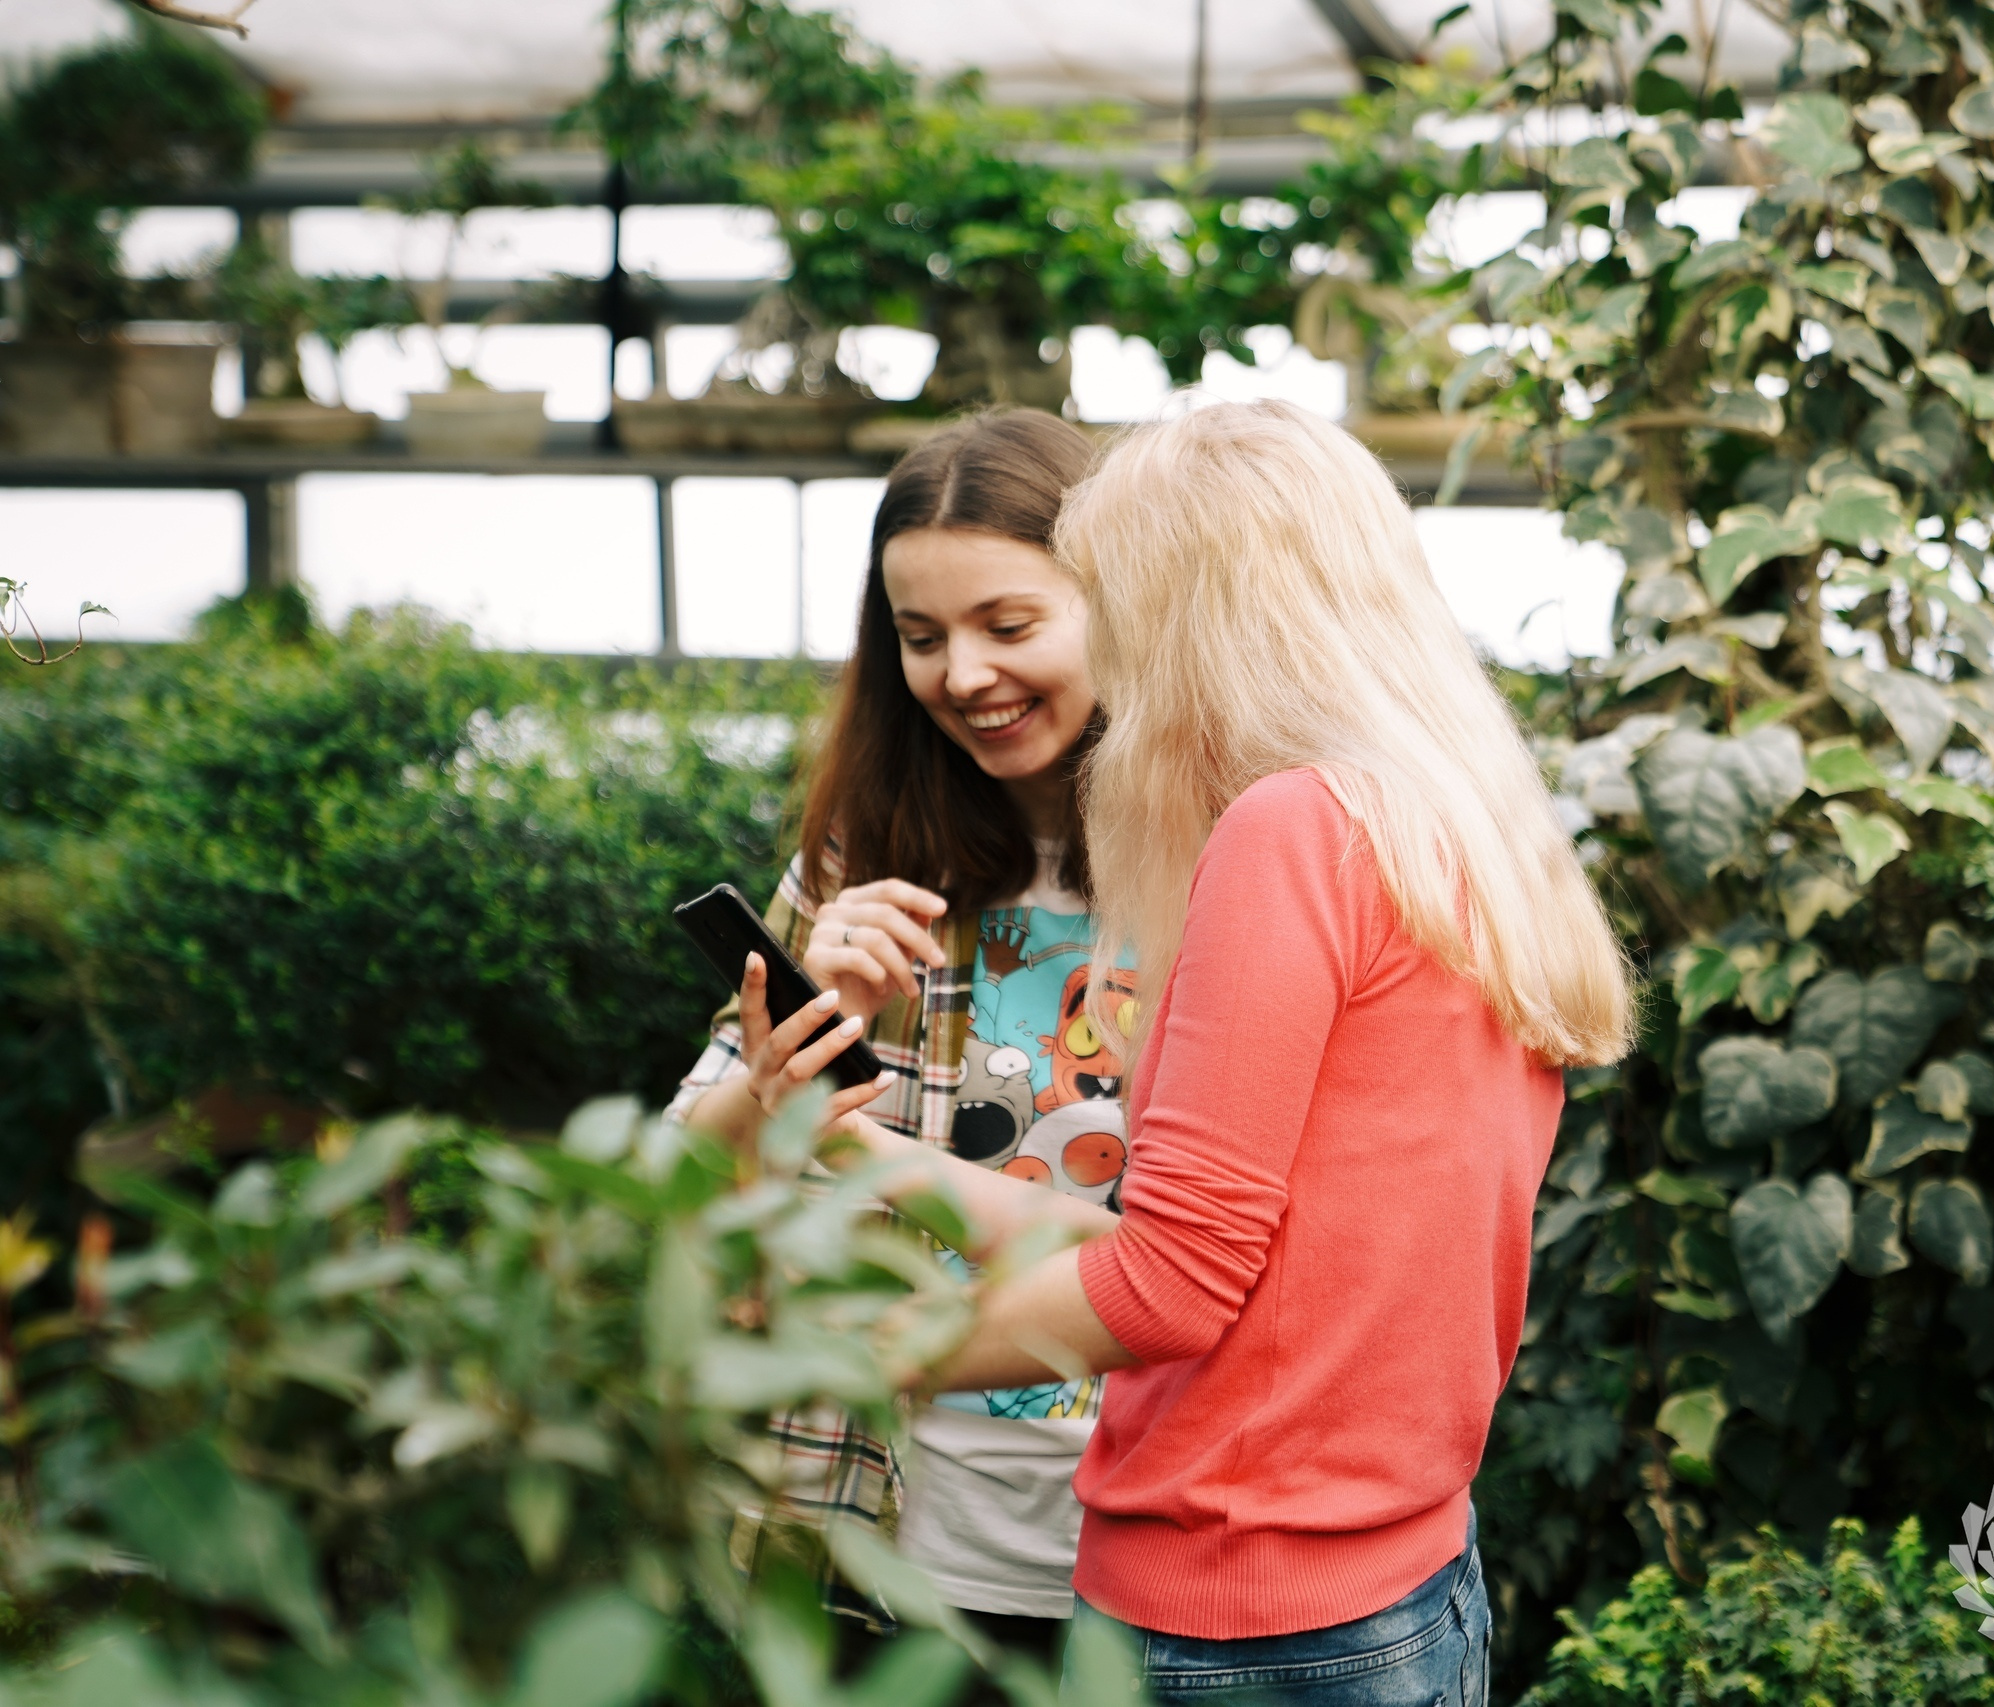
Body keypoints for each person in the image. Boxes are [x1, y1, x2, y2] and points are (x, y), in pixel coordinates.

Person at [808, 399, 1634, 1704]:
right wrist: (880, 1159)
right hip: (1404, 1574)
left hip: (1236, 1611)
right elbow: (1236, 1254)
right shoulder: (1454, 830)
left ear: (1191, 613)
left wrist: (861, 1353)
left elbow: (1170, 1284)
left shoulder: (1291, 830)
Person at [666, 407, 1127, 1667]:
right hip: (892, 1550)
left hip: (1160, 1553)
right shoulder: (860, 871)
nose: (963, 675)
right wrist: (794, 1053)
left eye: (1008, 626)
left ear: (1122, 602)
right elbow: (678, 1188)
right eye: (921, 638)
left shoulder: (1234, 863)